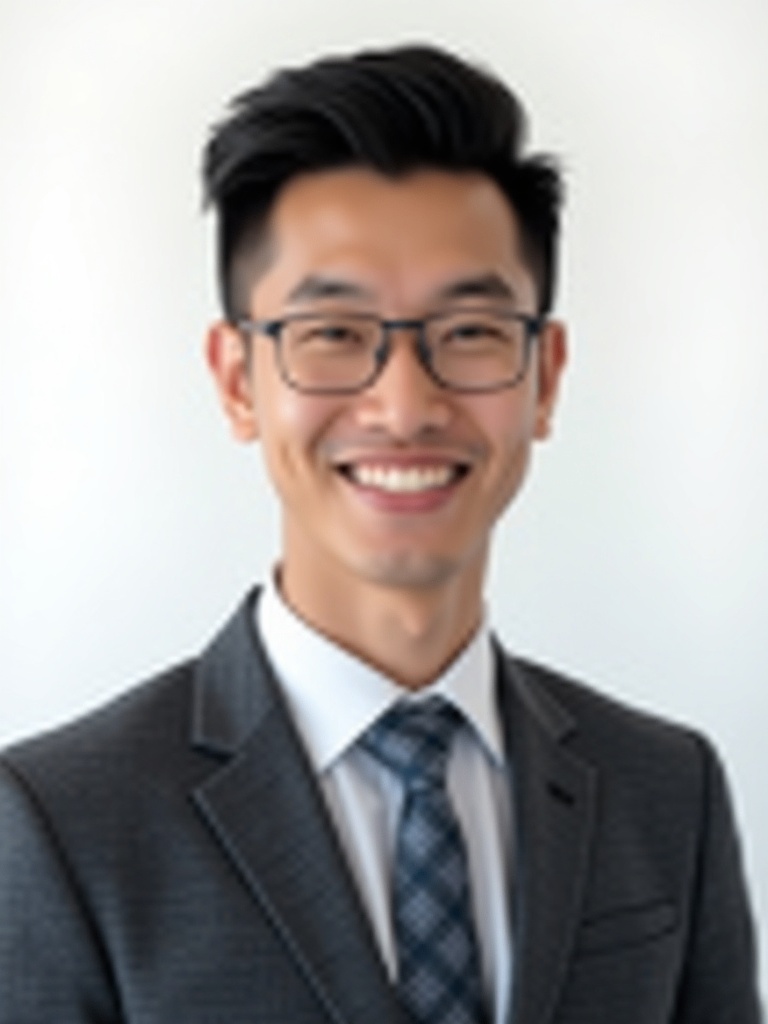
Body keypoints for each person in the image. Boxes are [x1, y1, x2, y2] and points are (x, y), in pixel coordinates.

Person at [0, 44, 761, 1024]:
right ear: (237, 381)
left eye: (471, 332)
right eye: (334, 334)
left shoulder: (668, 790)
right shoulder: (58, 821)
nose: (405, 407)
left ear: (546, 376)